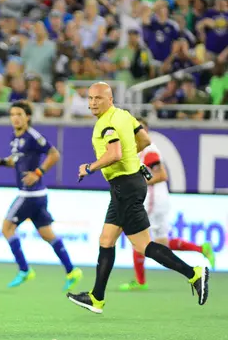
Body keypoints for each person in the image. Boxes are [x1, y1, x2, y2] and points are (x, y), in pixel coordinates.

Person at [67, 82, 209, 314]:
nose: (93, 103)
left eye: (98, 99)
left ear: (109, 99)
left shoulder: (106, 123)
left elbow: (114, 153)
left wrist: (89, 167)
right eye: (90, 98)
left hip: (125, 186)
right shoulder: (123, 116)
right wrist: (133, 161)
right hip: (129, 184)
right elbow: (143, 141)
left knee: (143, 245)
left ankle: (194, 274)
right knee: (106, 240)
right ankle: (97, 297)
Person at [0, 101, 83, 290]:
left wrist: (38, 173)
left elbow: (54, 154)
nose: (15, 117)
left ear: (28, 117)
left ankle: (24, 270)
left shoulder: (32, 136)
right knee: (47, 234)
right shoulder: (14, 138)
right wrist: (1, 162)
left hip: (30, 194)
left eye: (19, 114)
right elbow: (17, 161)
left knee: (7, 228)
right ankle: (72, 271)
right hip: (38, 195)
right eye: (13, 114)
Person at [119, 119, 215, 291]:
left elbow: (162, 175)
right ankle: (201, 249)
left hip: (153, 202)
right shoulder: (141, 151)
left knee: (137, 237)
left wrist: (138, 184)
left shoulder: (149, 151)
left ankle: (140, 281)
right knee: (162, 243)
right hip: (159, 202)